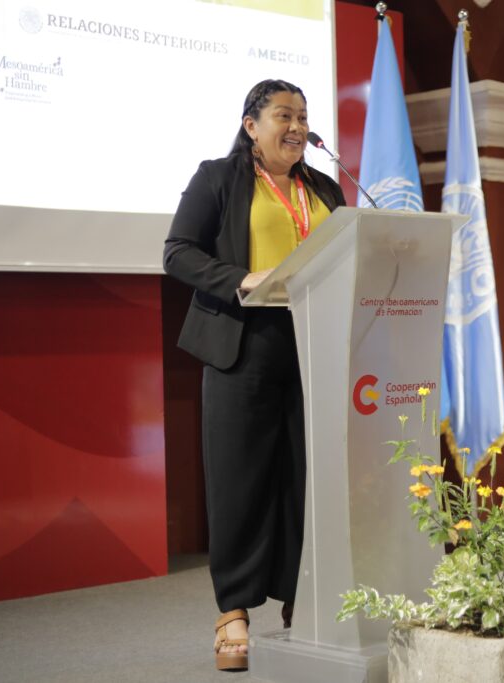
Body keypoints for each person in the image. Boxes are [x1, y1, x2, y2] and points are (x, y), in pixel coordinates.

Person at [163, 79, 345, 672]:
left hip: (313, 345)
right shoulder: (218, 178)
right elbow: (178, 252)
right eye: (283, 116)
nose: (297, 127)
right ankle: (234, 612)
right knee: (239, 480)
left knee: (305, 480)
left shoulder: (325, 189)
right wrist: (240, 278)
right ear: (251, 125)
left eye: (303, 117)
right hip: (243, 345)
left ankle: (302, 600)